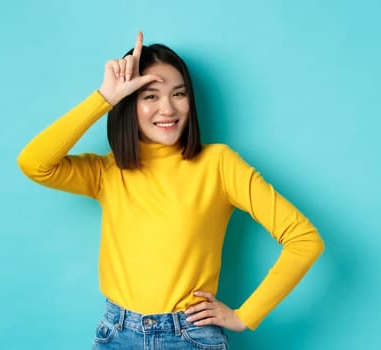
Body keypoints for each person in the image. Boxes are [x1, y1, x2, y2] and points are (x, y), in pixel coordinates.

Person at [17, 32, 324, 349]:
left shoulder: (218, 164)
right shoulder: (106, 172)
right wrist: (104, 98)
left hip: (188, 337)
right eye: (150, 96)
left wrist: (246, 315)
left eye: (178, 94)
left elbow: (303, 238)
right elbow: (34, 163)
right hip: (117, 333)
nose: (168, 108)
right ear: (129, 103)